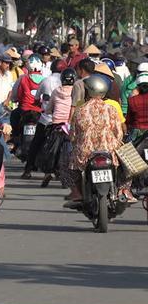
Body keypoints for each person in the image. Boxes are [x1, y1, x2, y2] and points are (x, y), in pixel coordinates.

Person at [64, 75, 123, 208]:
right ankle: (123, 191)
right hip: (109, 151)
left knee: (67, 164)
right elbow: (119, 133)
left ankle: (77, 193)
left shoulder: (80, 111)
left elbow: (73, 135)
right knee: (123, 169)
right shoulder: (111, 109)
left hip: (85, 153)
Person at [23, 59, 65, 185]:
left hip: (46, 119)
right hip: (63, 121)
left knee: (35, 143)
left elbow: (37, 98)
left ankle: (28, 169)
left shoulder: (45, 80)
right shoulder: (67, 83)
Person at [18, 54, 46, 179]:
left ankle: (15, 140)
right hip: (39, 112)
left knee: (15, 121)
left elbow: (18, 95)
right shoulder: (45, 80)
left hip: (25, 111)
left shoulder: (23, 79)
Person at [48, 68, 76, 190]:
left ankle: (48, 170)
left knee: (48, 146)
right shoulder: (75, 91)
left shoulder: (56, 91)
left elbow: (49, 108)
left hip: (56, 124)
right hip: (70, 125)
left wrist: (50, 111)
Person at [125, 74, 148, 141]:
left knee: (129, 150)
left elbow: (129, 119)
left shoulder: (132, 100)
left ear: (138, 87)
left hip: (136, 130)